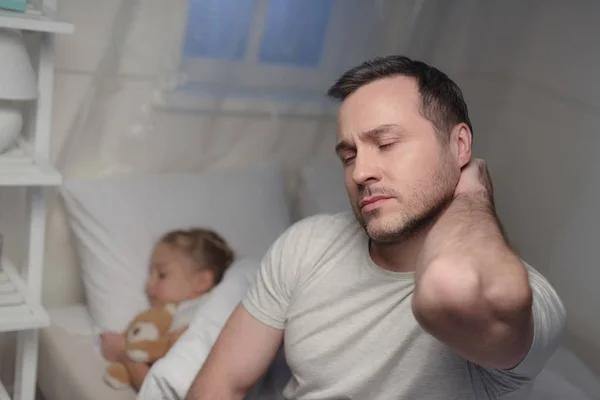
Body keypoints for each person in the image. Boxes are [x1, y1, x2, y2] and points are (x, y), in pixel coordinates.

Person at [185, 55, 567, 399]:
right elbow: (220, 384)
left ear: (460, 145)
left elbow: (451, 288)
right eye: (348, 156)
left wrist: (471, 195)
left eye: (385, 143)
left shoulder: (532, 302)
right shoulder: (307, 245)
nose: (361, 172)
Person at [100, 228, 235, 391]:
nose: (148, 284)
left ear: (201, 281)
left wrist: (124, 354)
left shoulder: (190, 317)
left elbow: (163, 391)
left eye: (162, 274)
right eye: (151, 274)